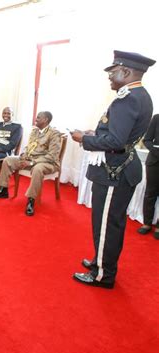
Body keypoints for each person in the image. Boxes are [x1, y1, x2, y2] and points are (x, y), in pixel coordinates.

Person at [71, 50, 156, 288]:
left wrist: (82, 139)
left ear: (126, 72)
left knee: (107, 224)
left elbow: (116, 141)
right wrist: (95, 133)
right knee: (108, 222)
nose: (110, 77)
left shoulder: (128, 98)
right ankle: (101, 262)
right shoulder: (140, 95)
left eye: (113, 72)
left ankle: (103, 274)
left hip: (115, 171)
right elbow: (118, 135)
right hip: (120, 167)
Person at [0, 111, 61, 216]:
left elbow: (52, 156)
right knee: (8, 160)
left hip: (47, 162)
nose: (35, 119)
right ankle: (3, 190)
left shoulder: (54, 133)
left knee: (37, 169)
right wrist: (23, 156)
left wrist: (32, 162)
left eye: (38, 117)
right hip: (30, 159)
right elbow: (29, 147)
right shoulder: (34, 131)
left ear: (45, 120)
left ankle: (31, 200)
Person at [137, 114, 159, 239]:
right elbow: (147, 140)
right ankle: (147, 223)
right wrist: (156, 152)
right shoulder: (156, 118)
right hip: (154, 162)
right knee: (150, 193)